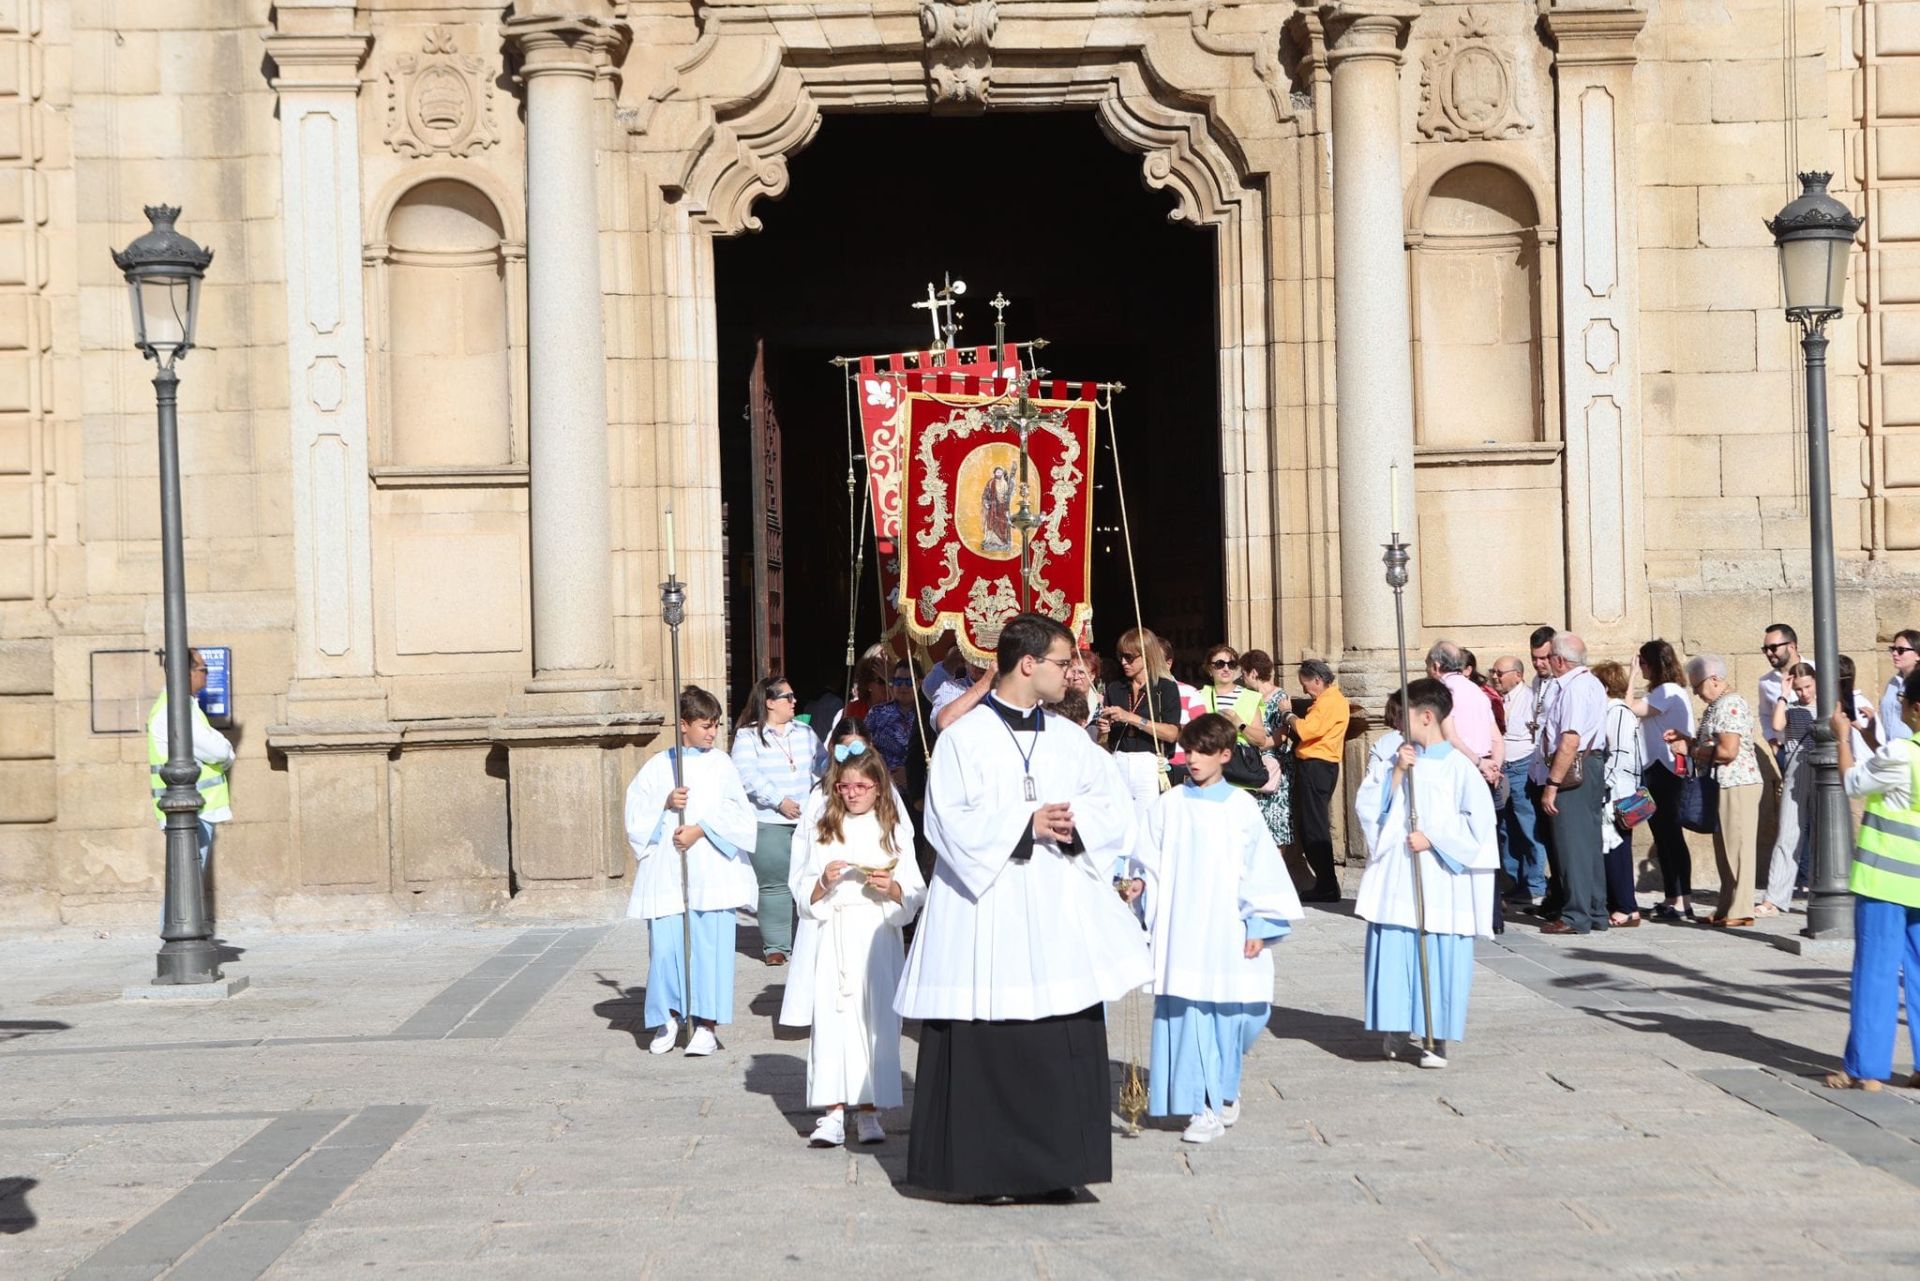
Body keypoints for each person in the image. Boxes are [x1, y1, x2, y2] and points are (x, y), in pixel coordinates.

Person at [896, 613, 1152, 1204]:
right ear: (1028, 664)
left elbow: (1113, 811)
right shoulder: (963, 738)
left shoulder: (1070, 740)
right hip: (988, 907)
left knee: (1059, 1033)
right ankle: (987, 1172)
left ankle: (1055, 1167)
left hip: (1057, 906)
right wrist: (1023, 825)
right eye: (1065, 663)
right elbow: (944, 823)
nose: (1076, 673)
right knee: (991, 1038)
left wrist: (1073, 825)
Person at [1119, 713, 1304, 1143]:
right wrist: (1139, 884)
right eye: (1189, 750)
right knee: (1190, 1013)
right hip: (1182, 926)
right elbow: (1145, 856)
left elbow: (1261, 867)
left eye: (1204, 751)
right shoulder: (1169, 805)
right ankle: (1201, 1106)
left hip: (1228, 928)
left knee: (1245, 1014)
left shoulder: (1242, 807)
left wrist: (1260, 922)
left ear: (1225, 755)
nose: (1194, 759)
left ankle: (1224, 1084)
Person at [779, 748, 926, 1147]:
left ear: (879, 788)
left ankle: (869, 1110)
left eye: (861, 786)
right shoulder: (827, 826)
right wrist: (823, 883)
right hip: (835, 933)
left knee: (874, 1021)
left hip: (876, 933)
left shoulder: (892, 829)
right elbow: (803, 889)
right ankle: (831, 1111)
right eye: (845, 787)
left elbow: (914, 888)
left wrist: (892, 888)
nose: (852, 794)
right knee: (831, 1020)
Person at [1353, 677, 1498, 1069]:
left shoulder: (1460, 769)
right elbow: (1371, 808)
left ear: (1428, 717)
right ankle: (1397, 1023)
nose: (1399, 726)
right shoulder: (1397, 758)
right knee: (1398, 946)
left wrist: (1433, 838)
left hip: (1441, 879)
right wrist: (1397, 775)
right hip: (1401, 874)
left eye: (1405, 718)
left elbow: (1478, 827)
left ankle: (1436, 1036)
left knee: (1439, 954)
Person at [624, 687, 758, 1056]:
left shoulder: (722, 765)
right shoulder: (658, 766)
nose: (712, 733)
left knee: (709, 947)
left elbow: (740, 815)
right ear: (683, 725)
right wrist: (665, 803)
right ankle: (669, 1017)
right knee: (666, 948)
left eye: (716, 725)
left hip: (710, 870)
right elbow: (636, 815)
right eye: (704, 725)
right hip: (669, 872)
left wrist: (700, 830)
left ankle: (706, 1023)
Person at [1826, 671, 1920, 1091]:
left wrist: (1842, 737)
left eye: (1902, 702)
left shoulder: (1903, 752)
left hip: (1886, 879)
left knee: (1875, 973)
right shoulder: (1901, 752)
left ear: (1916, 709)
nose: (1898, 708)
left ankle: (1865, 1069)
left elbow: (1853, 783)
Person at [731, 675, 824, 967]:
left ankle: (812, 939)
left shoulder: (805, 732)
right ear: (770, 703)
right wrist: (778, 801)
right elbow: (746, 775)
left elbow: (821, 764)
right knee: (774, 884)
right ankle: (776, 946)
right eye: (788, 697)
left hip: (807, 819)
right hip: (769, 819)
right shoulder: (748, 736)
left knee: (812, 877)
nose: (794, 701)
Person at [1665, 654, 1763, 928]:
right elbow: (1714, 744)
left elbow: (1727, 751)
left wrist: (1692, 749)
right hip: (1725, 782)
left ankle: (1742, 909)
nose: (1696, 693)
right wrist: (1690, 741)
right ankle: (1726, 906)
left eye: (1697, 686)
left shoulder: (1730, 704)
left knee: (1739, 847)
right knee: (1726, 848)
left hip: (1737, 782)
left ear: (1716, 680)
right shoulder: (1719, 705)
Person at [146, 648, 234, 927]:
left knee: (186, 882)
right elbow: (217, 750)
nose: (206, 676)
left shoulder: (181, 706)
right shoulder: (177, 709)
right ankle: (178, 945)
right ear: (186, 674)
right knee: (185, 883)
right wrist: (228, 753)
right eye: (203, 670)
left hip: (194, 809)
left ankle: (182, 940)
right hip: (192, 810)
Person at [1538, 635, 1609, 936]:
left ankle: (1575, 915)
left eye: (1550, 655)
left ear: (1560, 660)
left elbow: (1570, 739)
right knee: (1588, 842)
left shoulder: (1574, 689)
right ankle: (1595, 909)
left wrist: (1552, 784)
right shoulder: (1590, 683)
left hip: (1574, 767)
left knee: (1572, 844)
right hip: (1589, 764)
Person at [1627, 640, 1697, 921]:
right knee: (1664, 836)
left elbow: (1630, 707)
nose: (1641, 667)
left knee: (1671, 837)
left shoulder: (1668, 691)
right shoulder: (1663, 691)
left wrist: (1630, 677)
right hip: (1656, 769)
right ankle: (1673, 897)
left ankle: (1683, 900)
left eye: (1643, 663)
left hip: (1667, 770)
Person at [1098, 626, 1182, 819]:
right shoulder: (1115, 688)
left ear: (1146, 656)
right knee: (1118, 822)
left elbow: (1171, 733)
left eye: (1129, 657)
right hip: (1118, 759)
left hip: (1149, 762)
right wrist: (1104, 729)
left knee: (1147, 823)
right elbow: (1104, 740)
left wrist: (1131, 718)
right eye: (1121, 656)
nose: (1123, 662)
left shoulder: (1165, 688)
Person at [1286, 659, 1350, 903]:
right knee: (1310, 825)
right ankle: (1325, 883)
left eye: (1306, 684)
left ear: (1317, 680)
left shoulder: (1329, 702)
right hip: (1317, 766)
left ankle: (1326, 884)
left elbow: (1305, 730)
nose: (1305, 690)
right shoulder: (1327, 701)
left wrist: (1288, 714)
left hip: (1318, 766)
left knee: (1315, 827)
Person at [1489, 656, 1548, 909]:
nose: (1495, 676)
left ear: (1517, 675)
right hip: (1501, 766)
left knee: (1527, 824)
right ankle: (1513, 882)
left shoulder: (1530, 697)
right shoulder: (1494, 698)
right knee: (1505, 827)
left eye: (1500, 673)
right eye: (1493, 672)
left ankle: (1535, 884)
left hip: (1522, 763)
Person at [1760, 662, 1818, 917]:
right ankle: (1774, 899)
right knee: (1788, 832)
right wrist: (1784, 694)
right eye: (1799, 688)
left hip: (1824, 769)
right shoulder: (1792, 706)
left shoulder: (1827, 705)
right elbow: (1776, 725)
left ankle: (1824, 892)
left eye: (1808, 686)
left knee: (1824, 835)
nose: (1804, 693)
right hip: (1798, 768)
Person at [1595, 661, 1644, 927]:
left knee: (1618, 849)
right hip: (1613, 790)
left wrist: (1602, 783)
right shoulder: (1612, 711)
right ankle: (1623, 904)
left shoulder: (1618, 712)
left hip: (1617, 793)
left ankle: (1626, 906)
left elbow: (1618, 753)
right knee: (1612, 848)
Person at [1239, 649, 1295, 849]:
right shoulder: (1249, 697)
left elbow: (1284, 732)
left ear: (1253, 673)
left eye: (1244, 674)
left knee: (1276, 822)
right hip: (1253, 765)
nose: (1243, 679)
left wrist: (1262, 743)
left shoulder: (1280, 697)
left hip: (1274, 766)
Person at [1199, 643, 1271, 757]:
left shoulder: (1250, 697)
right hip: (1208, 763)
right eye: (1219, 664)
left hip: (1240, 765)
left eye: (1231, 664)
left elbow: (1261, 740)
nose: (1226, 669)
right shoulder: (1198, 697)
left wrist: (1240, 724)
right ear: (1209, 669)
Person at [866, 660, 919, 782]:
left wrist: (909, 773)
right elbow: (864, 747)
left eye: (909, 682)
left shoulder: (928, 714)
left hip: (919, 786)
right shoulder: (877, 713)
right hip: (884, 783)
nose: (903, 686)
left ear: (919, 683)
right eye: (898, 681)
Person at [1881, 629, 1919, 744]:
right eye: (1893, 649)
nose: (1894, 653)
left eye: (1901, 650)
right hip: (1892, 750)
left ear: (1918, 655)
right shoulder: (1893, 682)